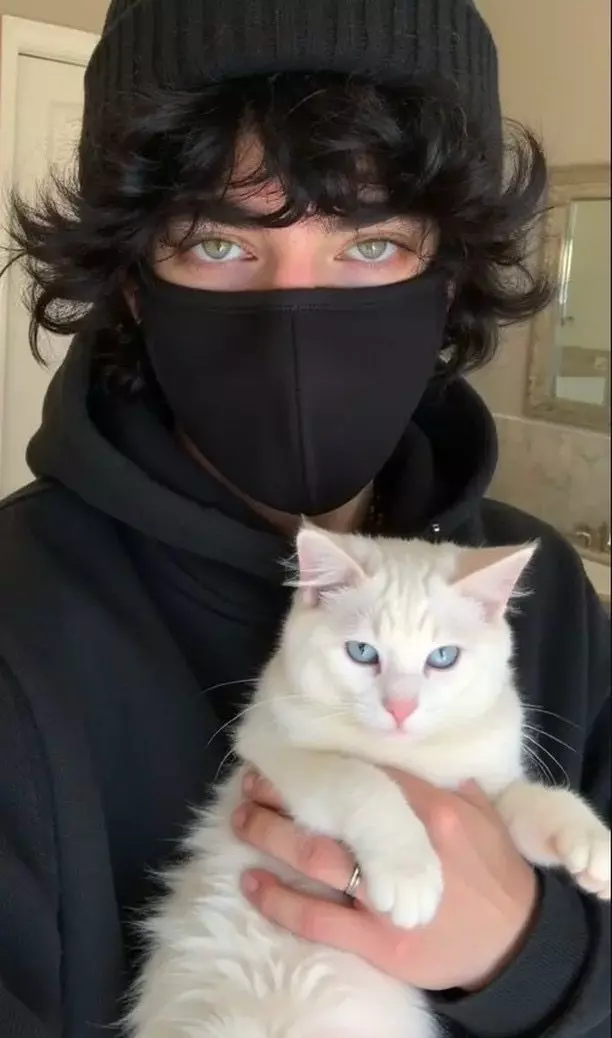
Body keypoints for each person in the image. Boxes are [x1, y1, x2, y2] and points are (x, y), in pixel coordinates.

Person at [0, 0, 609, 1035]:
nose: (294, 313)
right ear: (136, 286)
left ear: (446, 277)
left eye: (370, 244)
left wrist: (533, 957)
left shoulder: (540, 592)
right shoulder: (17, 616)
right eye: (217, 243)